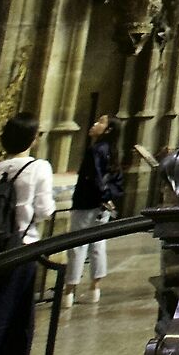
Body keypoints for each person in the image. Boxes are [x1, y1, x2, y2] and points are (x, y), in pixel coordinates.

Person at [0, 113, 56, 355]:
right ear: (32, 138)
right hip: (24, 247)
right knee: (16, 316)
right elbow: (44, 211)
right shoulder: (38, 167)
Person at [67, 113, 123, 304]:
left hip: (87, 203)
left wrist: (103, 195)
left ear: (108, 130)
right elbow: (117, 181)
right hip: (103, 206)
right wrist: (109, 198)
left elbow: (95, 178)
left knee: (77, 244)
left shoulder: (96, 150)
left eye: (100, 121)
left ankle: (69, 290)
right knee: (98, 245)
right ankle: (94, 288)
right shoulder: (113, 150)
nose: (94, 124)